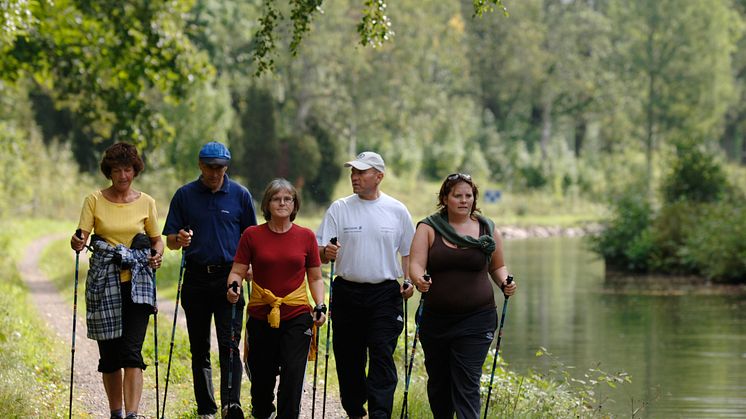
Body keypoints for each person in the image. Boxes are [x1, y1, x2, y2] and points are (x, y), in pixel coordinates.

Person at [408, 173, 517, 419]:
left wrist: (505, 282)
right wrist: (419, 280)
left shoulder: (487, 228)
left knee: (467, 381)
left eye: (468, 196)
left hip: (477, 319)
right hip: (435, 320)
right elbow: (415, 265)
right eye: (458, 195)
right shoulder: (428, 227)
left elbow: (497, 266)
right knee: (440, 384)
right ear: (445, 198)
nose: (464, 200)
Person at [316, 151, 415, 419]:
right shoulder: (339, 208)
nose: (354, 177)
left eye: (361, 172)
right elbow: (319, 251)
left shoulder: (397, 210)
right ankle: (354, 410)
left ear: (379, 176)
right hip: (347, 291)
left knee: (382, 353)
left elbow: (408, 252)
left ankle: (380, 413)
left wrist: (408, 280)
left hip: (385, 293)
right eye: (353, 172)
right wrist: (327, 253)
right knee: (349, 358)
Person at [162, 141, 257, 419]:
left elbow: (251, 239)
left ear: (226, 167)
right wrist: (179, 239)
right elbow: (169, 242)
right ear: (200, 166)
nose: (215, 173)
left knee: (230, 344)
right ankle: (206, 408)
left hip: (230, 277)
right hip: (196, 278)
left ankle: (231, 404)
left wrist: (249, 267)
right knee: (199, 347)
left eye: (220, 168)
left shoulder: (240, 195)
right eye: (209, 167)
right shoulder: (184, 195)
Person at [70, 142, 164, 419]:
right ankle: (116, 413)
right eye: (117, 170)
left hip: (137, 282)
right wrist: (76, 241)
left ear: (135, 170)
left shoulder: (147, 202)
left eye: (128, 169)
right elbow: (81, 238)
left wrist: (157, 256)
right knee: (110, 357)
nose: (123, 176)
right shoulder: (94, 200)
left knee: (132, 352)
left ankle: (132, 415)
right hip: (104, 282)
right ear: (108, 172)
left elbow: (157, 242)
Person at [226, 178, 326, 419]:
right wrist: (233, 286)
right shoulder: (252, 235)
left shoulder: (306, 237)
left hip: (297, 314)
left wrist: (320, 304)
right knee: (261, 381)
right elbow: (238, 271)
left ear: (294, 204)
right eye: (276, 199)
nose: (282, 203)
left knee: (292, 377)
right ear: (267, 204)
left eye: (287, 199)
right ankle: (263, 413)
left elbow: (315, 277)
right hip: (261, 314)